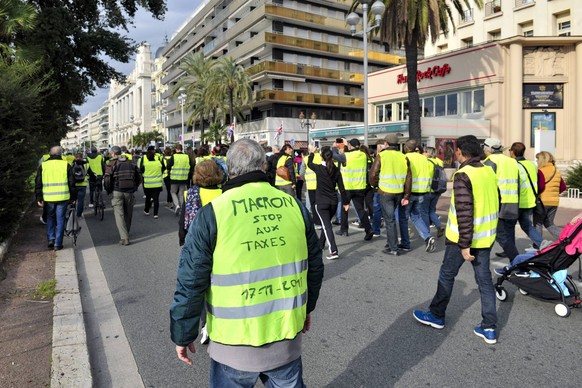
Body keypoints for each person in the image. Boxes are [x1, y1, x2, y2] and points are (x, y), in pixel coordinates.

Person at [170, 139, 324, 387]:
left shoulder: (213, 213)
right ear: (264, 165)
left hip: (232, 346)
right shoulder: (294, 206)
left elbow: (190, 281)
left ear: (229, 170)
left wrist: (183, 333)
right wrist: (307, 309)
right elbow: (314, 267)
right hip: (285, 339)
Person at [413, 135, 500, 345]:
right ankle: (489, 327)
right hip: (486, 238)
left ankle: (436, 315)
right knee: (485, 282)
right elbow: (496, 200)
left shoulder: (463, 174)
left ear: (460, 151)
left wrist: (464, 244)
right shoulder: (489, 170)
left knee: (447, 275)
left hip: (462, 240)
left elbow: (464, 211)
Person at [369, 134, 412, 255]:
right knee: (396, 219)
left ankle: (393, 248)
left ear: (386, 143)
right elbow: (409, 178)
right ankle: (392, 243)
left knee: (390, 220)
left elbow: (373, 174)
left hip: (385, 192)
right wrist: (407, 195)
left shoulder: (381, 155)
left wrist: (374, 185)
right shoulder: (403, 157)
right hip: (399, 192)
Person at [308, 145, 349, 260]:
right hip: (333, 202)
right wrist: (346, 202)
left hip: (321, 202)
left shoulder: (319, 168)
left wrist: (312, 152)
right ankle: (321, 245)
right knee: (327, 225)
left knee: (326, 226)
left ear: (321, 158)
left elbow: (309, 163)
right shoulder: (336, 170)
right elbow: (342, 188)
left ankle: (334, 250)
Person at [483, 138, 520, 263]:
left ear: (488, 149)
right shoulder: (512, 161)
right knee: (508, 231)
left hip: (498, 202)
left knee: (499, 233)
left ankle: (516, 259)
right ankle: (513, 256)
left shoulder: (490, 161)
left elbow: (487, 184)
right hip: (513, 200)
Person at [35, 146, 77, 250]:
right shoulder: (65, 165)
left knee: (50, 218)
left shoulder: (43, 166)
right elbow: (71, 183)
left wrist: (39, 197)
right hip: (62, 196)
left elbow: (38, 183)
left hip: (48, 198)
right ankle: (58, 243)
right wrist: (73, 197)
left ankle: (51, 238)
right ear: (61, 154)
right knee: (60, 219)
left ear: (49, 154)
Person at [332, 138, 374, 241]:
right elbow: (351, 153)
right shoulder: (363, 155)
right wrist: (347, 146)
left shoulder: (347, 156)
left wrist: (334, 147)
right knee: (360, 209)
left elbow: (335, 156)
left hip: (348, 187)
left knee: (344, 208)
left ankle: (344, 229)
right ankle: (368, 230)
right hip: (360, 186)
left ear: (350, 146)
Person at [399, 139, 436, 252]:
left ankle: (405, 243)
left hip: (409, 193)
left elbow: (404, 175)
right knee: (416, 217)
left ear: (406, 147)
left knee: (404, 218)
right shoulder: (424, 159)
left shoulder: (405, 158)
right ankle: (427, 237)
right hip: (422, 192)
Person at [178, 159, 224, 246]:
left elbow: (182, 221)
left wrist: (182, 239)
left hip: (197, 243)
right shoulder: (224, 193)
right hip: (220, 241)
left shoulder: (189, 194)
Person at [509, 142, 544, 251]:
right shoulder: (532, 165)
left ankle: (510, 250)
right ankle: (542, 243)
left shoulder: (513, 165)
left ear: (513, 152)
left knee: (509, 226)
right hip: (530, 200)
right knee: (527, 225)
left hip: (517, 201)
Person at [108, 145, 141, 246]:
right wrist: (134, 188)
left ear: (113, 153)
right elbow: (139, 176)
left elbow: (107, 179)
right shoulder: (131, 162)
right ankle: (126, 233)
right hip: (129, 191)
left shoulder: (112, 163)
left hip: (117, 191)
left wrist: (109, 190)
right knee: (128, 213)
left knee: (119, 214)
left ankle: (124, 237)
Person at [535, 151, 566, 239]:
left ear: (542, 160)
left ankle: (538, 244)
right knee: (549, 224)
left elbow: (540, 186)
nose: (536, 161)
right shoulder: (556, 170)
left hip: (543, 201)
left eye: (537, 159)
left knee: (538, 223)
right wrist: (553, 193)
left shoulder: (541, 171)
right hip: (554, 202)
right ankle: (566, 238)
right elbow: (563, 187)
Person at [422, 147, 446, 238]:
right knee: (431, 210)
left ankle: (426, 232)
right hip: (438, 189)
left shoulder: (427, 162)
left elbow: (426, 177)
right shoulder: (439, 161)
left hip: (428, 190)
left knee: (424, 211)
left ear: (428, 152)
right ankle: (439, 226)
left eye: (424, 151)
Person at [167, 144, 194, 215]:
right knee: (181, 194)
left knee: (173, 192)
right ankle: (183, 208)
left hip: (174, 178)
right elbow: (191, 165)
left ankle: (177, 205)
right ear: (182, 149)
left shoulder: (174, 156)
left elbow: (168, 166)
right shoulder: (186, 157)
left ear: (176, 149)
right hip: (184, 178)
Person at [301, 145, 323, 230]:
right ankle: (323, 221)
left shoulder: (306, 159)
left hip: (310, 185)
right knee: (321, 203)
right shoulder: (321, 157)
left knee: (314, 205)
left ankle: (317, 223)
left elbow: (302, 172)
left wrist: (305, 179)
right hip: (320, 184)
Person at [140, 146, 165, 219]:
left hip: (148, 184)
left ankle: (147, 210)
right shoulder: (158, 163)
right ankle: (155, 214)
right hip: (157, 184)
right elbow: (164, 168)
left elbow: (141, 171)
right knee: (156, 199)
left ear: (147, 157)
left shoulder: (145, 164)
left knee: (148, 198)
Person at [73, 153, 89, 218]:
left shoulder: (72, 164)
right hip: (83, 184)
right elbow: (90, 172)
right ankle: (79, 214)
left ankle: (72, 213)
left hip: (74, 185)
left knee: (73, 200)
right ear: (82, 157)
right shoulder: (86, 164)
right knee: (81, 201)